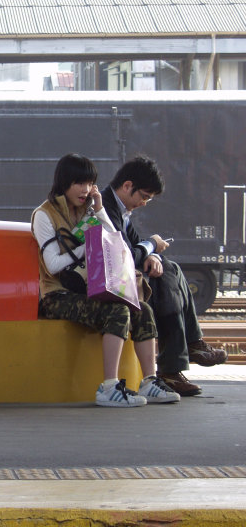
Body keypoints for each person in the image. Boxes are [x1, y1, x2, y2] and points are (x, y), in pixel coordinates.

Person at [32, 153, 180, 407]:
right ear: (65, 182)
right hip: (57, 295)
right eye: (80, 183)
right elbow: (53, 264)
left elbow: (116, 244)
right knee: (117, 311)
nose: (86, 190)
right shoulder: (45, 215)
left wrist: (99, 210)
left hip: (88, 288)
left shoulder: (88, 209)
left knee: (142, 309)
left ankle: (149, 381)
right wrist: (87, 245)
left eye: (90, 183)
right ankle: (109, 386)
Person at [101, 155, 227, 397]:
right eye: (144, 197)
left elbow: (137, 248)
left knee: (169, 268)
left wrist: (153, 255)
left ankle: (188, 349)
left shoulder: (120, 208)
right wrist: (152, 245)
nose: (145, 203)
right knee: (166, 275)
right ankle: (178, 360)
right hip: (110, 282)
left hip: (123, 277)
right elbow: (124, 253)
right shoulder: (106, 207)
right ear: (128, 186)